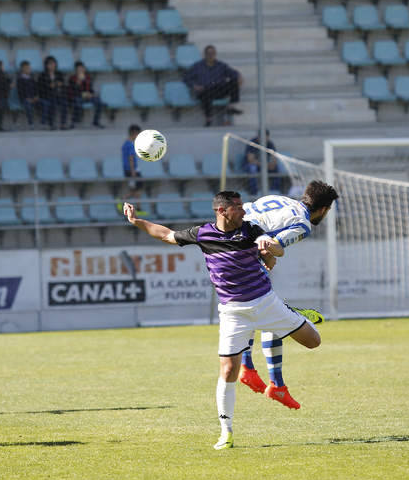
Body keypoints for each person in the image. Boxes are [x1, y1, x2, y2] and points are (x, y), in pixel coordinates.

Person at [123, 190, 322, 450]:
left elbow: (273, 249)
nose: (243, 210)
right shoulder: (203, 234)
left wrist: (270, 249)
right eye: (237, 207)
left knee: (314, 342)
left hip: (266, 303)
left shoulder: (251, 229)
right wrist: (137, 222)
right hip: (233, 313)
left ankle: (291, 313)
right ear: (222, 211)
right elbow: (166, 234)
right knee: (228, 370)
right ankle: (225, 433)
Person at [237, 180, 339, 407]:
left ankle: (274, 383)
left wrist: (267, 254)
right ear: (324, 209)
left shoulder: (280, 199)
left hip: (228, 244)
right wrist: (273, 254)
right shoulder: (302, 224)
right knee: (267, 312)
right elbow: (272, 245)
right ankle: (251, 369)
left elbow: (250, 216)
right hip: (241, 252)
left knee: (265, 314)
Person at [183, 45, 243, 127]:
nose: (211, 55)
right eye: (209, 53)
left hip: (219, 89)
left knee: (234, 81)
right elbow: (186, 77)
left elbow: (233, 73)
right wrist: (194, 85)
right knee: (205, 94)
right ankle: (208, 119)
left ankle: (230, 107)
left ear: (215, 54)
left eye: (213, 53)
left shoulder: (221, 65)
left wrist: (239, 76)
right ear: (205, 54)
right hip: (205, 90)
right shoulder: (198, 66)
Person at [242, 130, 282, 195]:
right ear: (258, 137)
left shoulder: (270, 143)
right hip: (251, 165)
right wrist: (264, 165)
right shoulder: (253, 143)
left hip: (264, 166)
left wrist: (272, 164)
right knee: (252, 168)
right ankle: (253, 193)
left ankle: (274, 192)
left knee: (277, 168)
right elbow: (251, 160)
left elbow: (274, 158)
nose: (265, 139)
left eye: (266, 137)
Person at [68, 61, 104, 129]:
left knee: (99, 102)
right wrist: (78, 83)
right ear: (76, 70)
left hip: (88, 97)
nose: (81, 70)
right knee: (77, 103)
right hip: (78, 97)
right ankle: (74, 122)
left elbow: (90, 89)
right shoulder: (72, 78)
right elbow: (72, 91)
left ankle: (96, 122)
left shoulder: (88, 77)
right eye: (79, 69)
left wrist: (92, 94)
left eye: (82, 68)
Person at [119, 124, 145, 215]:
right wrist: (133, 171)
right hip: (132, 171)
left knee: (136, 189)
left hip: (128, 170)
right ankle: (122, 200)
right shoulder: (130, 145)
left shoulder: (125, 144)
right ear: (134, 133)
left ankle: (138, 208)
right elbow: (130, 158)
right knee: (136, 190)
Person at [37, 55, 67, 130]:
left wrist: (60, 84)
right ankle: (51, 124)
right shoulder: (42, 75)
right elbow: (41, 87)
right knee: (52, 103)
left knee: (64, 103)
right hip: (47, 95)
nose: (52, 65)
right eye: (50, 64)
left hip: (59, 95)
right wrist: (49, 86)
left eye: (53, 63)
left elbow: (63, 84)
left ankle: (63, 124)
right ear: (46, 65)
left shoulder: (59, 74)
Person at [16, 60, 39, 128]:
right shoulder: (20, 79)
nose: (28, 69)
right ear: (22, 69)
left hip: (33, 98)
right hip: (25, 99)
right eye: (26, 68)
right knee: (28, 106)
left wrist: (36, 96)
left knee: (44, 103)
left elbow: (35, 88)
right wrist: (27, 98)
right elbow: (20, 91)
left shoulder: (32, 78)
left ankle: (44, 122)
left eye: (29, 68)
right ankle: (30, 123)